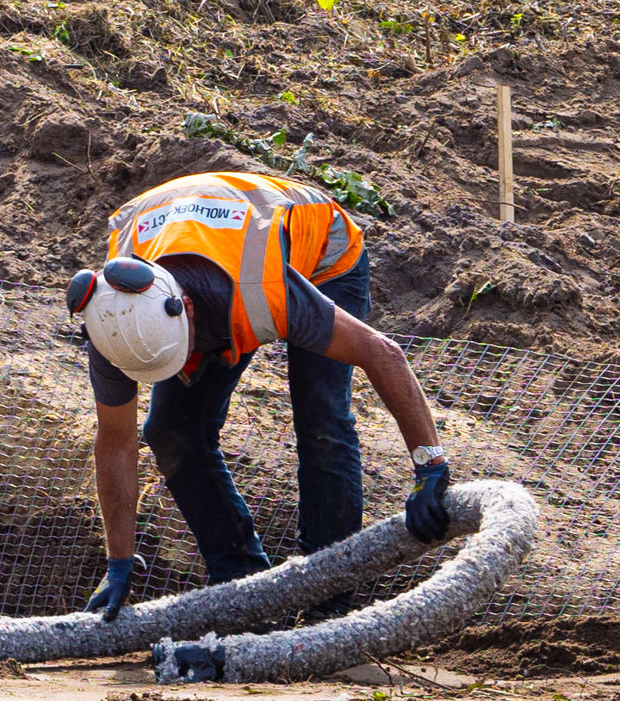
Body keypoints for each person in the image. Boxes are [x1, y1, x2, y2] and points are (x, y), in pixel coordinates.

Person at [66, 165, 457, 615]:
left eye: (186, 353)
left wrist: (429, 465)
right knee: (171, 430)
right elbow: (116, 443)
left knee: (321, 418)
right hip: (193, 241)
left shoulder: (262, 290)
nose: (190, 368)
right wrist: (118, 562)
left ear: (186, 310)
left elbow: (381, 354)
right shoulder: (111, 320)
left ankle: (327, 600)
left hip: (321, 254)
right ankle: (243, 590)